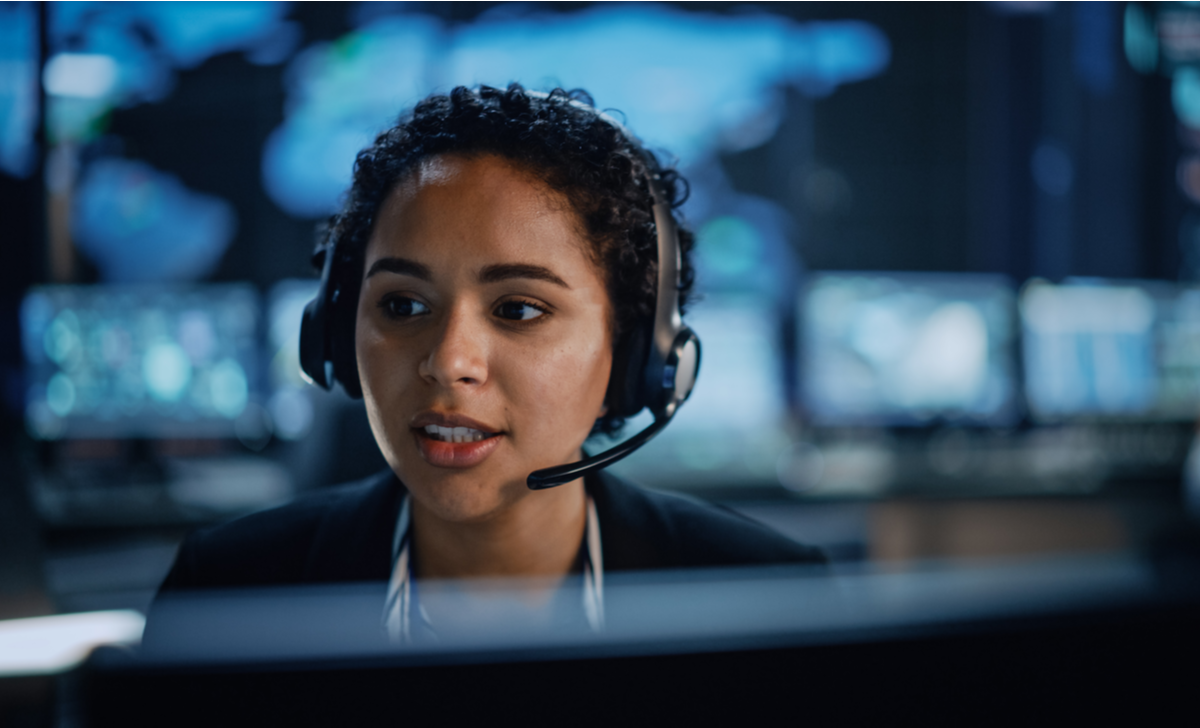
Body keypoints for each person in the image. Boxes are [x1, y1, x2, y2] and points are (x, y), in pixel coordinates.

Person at [144, 84, 825, 648]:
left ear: (636, 354)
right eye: (404, 305)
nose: (449, 363)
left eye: (519, 310)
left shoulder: (768, 601)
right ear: (335, 336)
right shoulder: (226, 594)